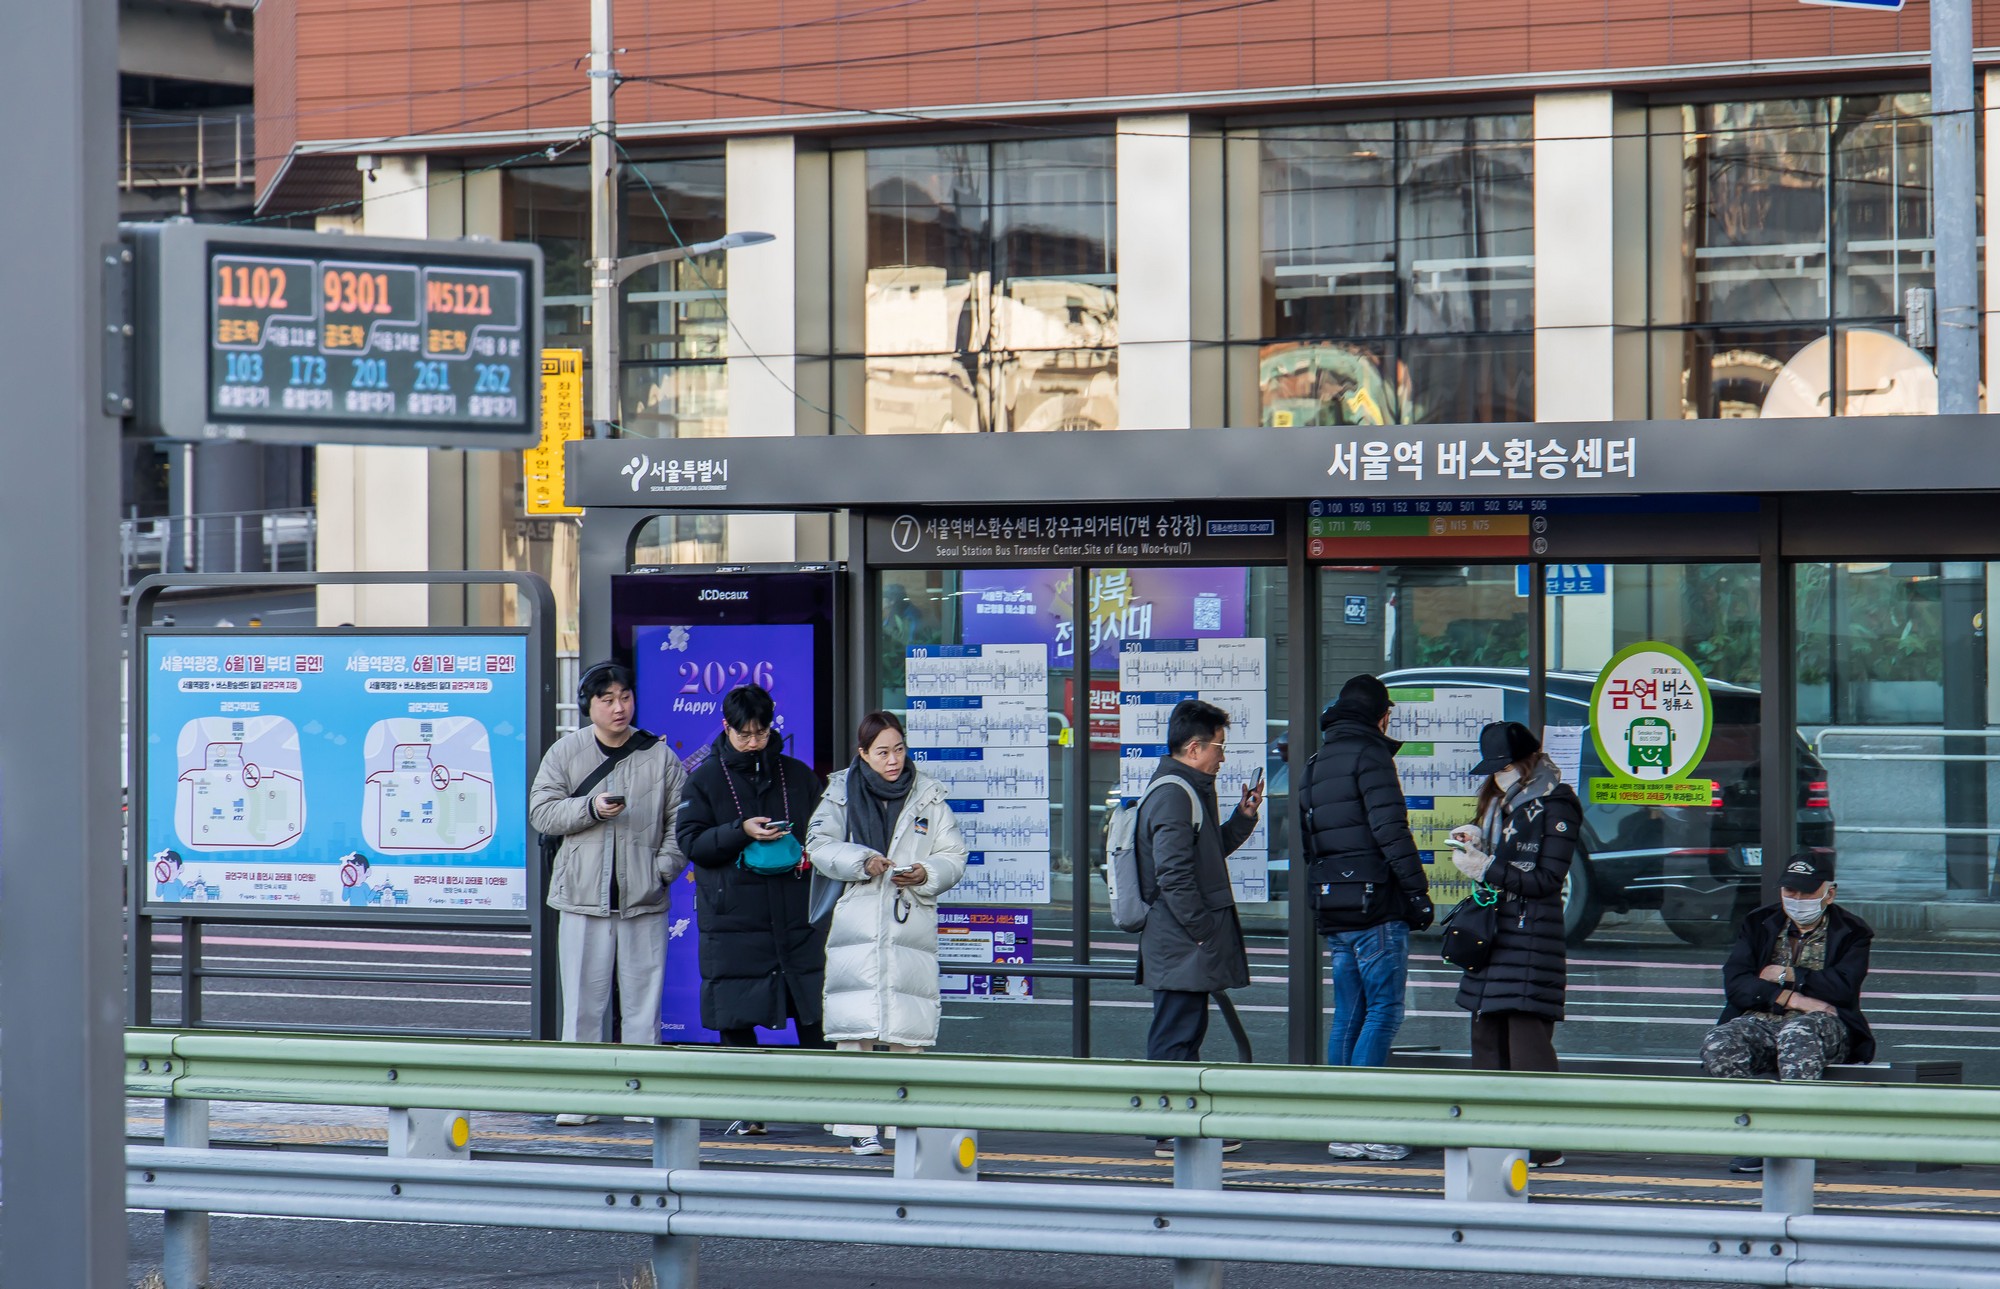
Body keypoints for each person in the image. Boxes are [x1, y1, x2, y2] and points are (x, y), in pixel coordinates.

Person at [530, 661, 688, 1126]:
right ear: (589, 706)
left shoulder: (659, 756)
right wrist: (591, 808)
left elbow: (681, 822)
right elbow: (541, 813)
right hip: (582, 898)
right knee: (582, 1005)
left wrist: (661, 871)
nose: (619, 707)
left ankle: (640, 1098)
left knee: (644, 1006)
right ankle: (580, 1097)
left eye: (625, 697)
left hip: (643, 899)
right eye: (607, 699)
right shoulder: (566, 752)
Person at [807, 711, 968, 1155]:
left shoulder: (928, 794)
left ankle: (905, 1126)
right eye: (882, 752)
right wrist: (862, 860)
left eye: (899, 749)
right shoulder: (840, 791)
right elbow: (818, 844)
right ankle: (858, 1126)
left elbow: (954, 854)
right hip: (857, 922)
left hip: (908, 919)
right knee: (855, 1028)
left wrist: (926, 872)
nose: (893, 760)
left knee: (908, 1029)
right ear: (863, 754)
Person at [675, 684, 830, 1133]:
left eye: (760, 733)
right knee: (735, 1010)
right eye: (744, 734)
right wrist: (740, 830)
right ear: (726, 727)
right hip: (733, 915)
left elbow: (825, 832)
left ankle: (833, 1105)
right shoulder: (704, 779)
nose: (753, 742)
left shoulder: (796, 774)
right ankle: (748, 1108)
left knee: (812, 1007)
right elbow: (691, 843)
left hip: (794, 910)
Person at [1299, 675, 1433, 1162]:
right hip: (1376, 905)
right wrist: (1417, 893)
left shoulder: (1316, 762)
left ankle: (1342, 1127)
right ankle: (1369, 1126)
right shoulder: (1371, 756)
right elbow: (1391, 830)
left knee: (1348, 1015)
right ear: (1380, 715)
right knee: (1383, 1012)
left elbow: (1310, 842)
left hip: (1334, 904)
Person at [1448, 720, 1580, 1169]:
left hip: (1530, 937)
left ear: (1527, 762)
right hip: (1492, 935)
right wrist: (1477, 841)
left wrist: (1486, 867)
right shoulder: (1498, 803)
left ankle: (1541, 1146)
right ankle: (1492, 1139)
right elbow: (1504, 859)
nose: (1498, 775)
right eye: (1493, 769)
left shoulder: (1557, 803)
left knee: (1528, 1047)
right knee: (1485, 1039)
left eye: (1504, 767)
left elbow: (1546, 880)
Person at [1136, 698, 1263, 1158]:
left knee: (1185, 1034)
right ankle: (1170, 1131)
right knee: (1175, 1036)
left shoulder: (1188, 790)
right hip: (1181, 943)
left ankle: (1182, 1129)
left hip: (1182, 942)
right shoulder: (1174, 794)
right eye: (1219, 748)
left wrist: (1242, 819)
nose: (1222, 758)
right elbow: (1173, 874)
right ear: (1194, 748)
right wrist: (1202, 931)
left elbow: (1205, 854)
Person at [1701, 851, 1874, 1174]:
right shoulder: (1759, 922)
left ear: (1829, 894)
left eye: (1807, 892)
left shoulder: (1852, 931)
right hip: (1764, 1022)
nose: (1797, 900)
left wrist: (1786, 973)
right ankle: (1754, 1135)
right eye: (1789, 891)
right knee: (1720, 1042)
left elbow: (1842, 988)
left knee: (1797, 1035)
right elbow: (1737, 984)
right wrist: (1794, 998)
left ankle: (1796, 1138)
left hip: (1824, 1027)